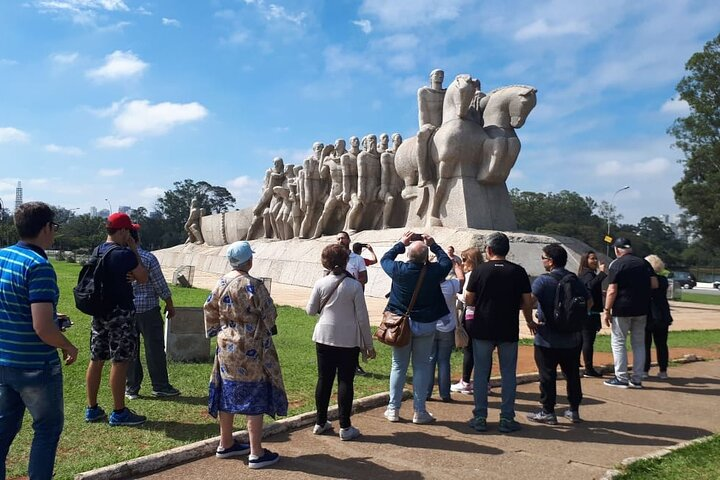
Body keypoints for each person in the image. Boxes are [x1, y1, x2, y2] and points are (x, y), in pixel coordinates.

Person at [0, 202, 78, 480]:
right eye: (54, 227)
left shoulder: (2, 257)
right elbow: (43, 328)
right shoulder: (39, 266)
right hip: (35, 365)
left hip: (4, 360)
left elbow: (10, 303)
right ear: (46, 228)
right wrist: (68, 345)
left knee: (3, 431)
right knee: (46, 429)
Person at [204, 241, 288, 469]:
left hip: (226, 343)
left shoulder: (221, 282)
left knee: (226, 389)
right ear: (248, 261)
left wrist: (216, 330)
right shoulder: (253, 285)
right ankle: (256, 452)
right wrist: (267, 327)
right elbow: (269, 313)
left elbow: (209, 308)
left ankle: (226, 442)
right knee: (255, 392)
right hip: (250, 344)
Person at [84, 212, 149, 427]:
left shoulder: (98, 250)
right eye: (128, 230)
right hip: (120, 312)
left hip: (100, 311)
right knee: (120, 361)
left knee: (97, 358)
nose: (130, 234)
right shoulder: (123, 254)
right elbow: (143, 277)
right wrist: (133, 250)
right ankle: (119, 412)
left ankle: (92, 408)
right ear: (121, 230)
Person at [306, 244, 376, 440]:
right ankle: (345, 426)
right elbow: (362, 318)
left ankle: (320, 422)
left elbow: (310, 311)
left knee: (324, 379)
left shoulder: (321, 283)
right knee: (345, 380)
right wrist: (368, 345)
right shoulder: (354, 285)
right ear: (346, 261)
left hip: (324, 335)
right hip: (347, 339)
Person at [381, 232, 452, 424]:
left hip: (401, 324)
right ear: (426, 258)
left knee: (398, 366)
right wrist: (434, 245)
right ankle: (419, 411)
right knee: (421, 366)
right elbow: (447, 262)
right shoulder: (434, 271)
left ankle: (393, 408)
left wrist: (400, 243)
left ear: (408, 255)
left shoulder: (398, 269)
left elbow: (384, 259)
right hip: (426, 323)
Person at [465, 232, 533, 433]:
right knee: (508, 374)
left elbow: (469, 299)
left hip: (483, 327)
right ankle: (506, 418)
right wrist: (528, 318)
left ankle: (480, 417)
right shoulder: (518, 271)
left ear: (489, 250)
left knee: (481, 374)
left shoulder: (479, 271)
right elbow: (528, 301)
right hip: (508, 327)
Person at [527, 243, 591, 425]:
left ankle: (548, 411)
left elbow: (529, 302)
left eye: (543, 258)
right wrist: (573, 320)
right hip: (572, 337)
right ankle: (574, 410)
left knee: (547, 375)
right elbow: (590, 301)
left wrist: (532, 318)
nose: (542, 261)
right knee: (572, 374)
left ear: (551, 261)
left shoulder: (543, 280)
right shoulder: (574, 279)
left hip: (547, 336)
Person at [125, 225, 180, 400]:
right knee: (154, 348)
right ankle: (160, 385)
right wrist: (169, 304)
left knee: (130, 349)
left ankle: (131, 387)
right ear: (137, 238)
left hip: (125, 310)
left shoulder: (118, 259)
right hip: (148, 309)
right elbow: (159, 284)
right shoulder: (148, 258)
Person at [603, 238, 658, 389]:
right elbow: (654, 284)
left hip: (622, 308)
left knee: (619, 342)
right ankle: (637, 378)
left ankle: (621, 377)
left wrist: (607, 310)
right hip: (641, 308)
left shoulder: (617, 264)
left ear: (617, 250)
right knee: (639, 344)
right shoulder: (644, 263)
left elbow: (612, 290)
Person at [427, 260, 465, 402]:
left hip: (430, 326)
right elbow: (462, 279)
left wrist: (429, 263)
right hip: (447, 327)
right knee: (444, 361)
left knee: (430, 360)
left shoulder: (428, 285)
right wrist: (456, 266)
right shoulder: (450, 286)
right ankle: (445, 393)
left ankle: (426, 392)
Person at [451, 246, 484, 395]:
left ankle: (465, 381)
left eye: (464, 259)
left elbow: (466, 297)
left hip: (471, 314)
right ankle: (485, 383)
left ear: (471, 260)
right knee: (484, 351)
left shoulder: (472, 275)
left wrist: (456, 296)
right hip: (485, 315)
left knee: (469, 349)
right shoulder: (485, 272)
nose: (462, 262)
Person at [577, 250, 607, 378]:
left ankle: (577, 363)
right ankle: (589, 369)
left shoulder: (585, 273)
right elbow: (590, 286)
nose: (595, 261)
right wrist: (602, 274)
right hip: (589, 312)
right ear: (586, 260)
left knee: (582, 339)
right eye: (592, 259)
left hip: (587, 311)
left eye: (595, 258)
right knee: (588, 340)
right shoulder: (588, 274)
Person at [643, 254, 673, 379]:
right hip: (663, 314)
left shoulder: (646, 281)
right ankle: (663, 370)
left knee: (645, 344)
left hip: (649, 314)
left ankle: (645, 369)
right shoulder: (663, 280)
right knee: (662, 344)